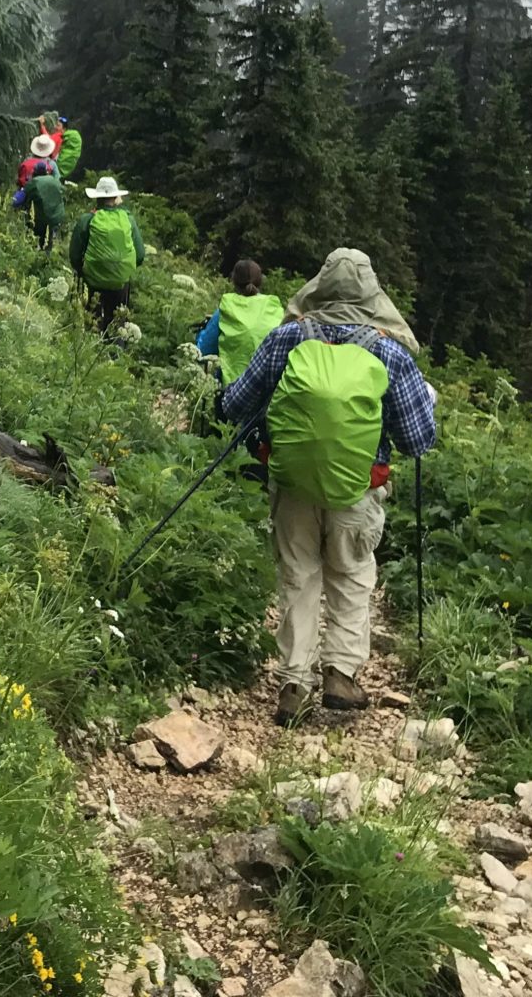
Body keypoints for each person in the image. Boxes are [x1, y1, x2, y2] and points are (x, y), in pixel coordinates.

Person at [217, 248, 436, 726]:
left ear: (318, 287)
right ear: (372, 295)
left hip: (293, 481)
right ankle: (341, 674)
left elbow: (235, 404)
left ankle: (294, 683)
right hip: (358, 489)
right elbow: (419, 438)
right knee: (352, 575)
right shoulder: (387, 350)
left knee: (299, 575)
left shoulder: (287, 338)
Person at [67, 175, 146, 328]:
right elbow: (140, 255)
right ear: (116, 197)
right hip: (120, 281)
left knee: (91, 319)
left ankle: (91, 346)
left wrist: (82, 270)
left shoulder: (87, 219)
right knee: (117, 323)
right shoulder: (128, 219)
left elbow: (75, 255)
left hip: (92, 280)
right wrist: (123, 267)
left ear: (97, 198)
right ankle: (116, 347)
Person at [195, 259, 285, 384]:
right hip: (269, 390)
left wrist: (202, 331)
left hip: (234, 391)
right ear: (260, 281)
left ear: (233, 280)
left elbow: (202, 350)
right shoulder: (275, 308)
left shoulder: (226, 309)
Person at [41, 112, 83, 179]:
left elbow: (48, 139)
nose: (55, 127)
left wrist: (42, 125)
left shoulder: (59, 136)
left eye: (58, 125)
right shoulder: (66, 138)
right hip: (60, 169)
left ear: (64, 128)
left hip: (53, 164)